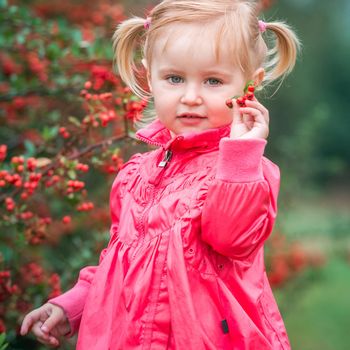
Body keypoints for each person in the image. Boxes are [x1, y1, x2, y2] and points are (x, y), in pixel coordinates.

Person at [20, 0, 301, 348]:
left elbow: (231, 238)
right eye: (174, 78)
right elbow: (118, 264)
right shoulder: (134, 177)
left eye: (213, 80)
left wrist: (241, 156)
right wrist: (74, 305)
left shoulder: (245, 171)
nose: (191, 96)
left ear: (248, 86)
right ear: (149, 76)